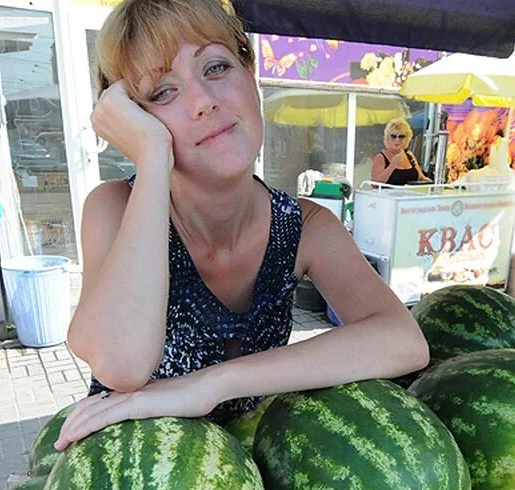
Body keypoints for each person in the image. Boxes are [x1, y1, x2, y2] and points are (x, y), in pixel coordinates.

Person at [56, 0, 429, 449]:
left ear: (250, 74)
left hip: (245, 484)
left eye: (215, 68)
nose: (203, 103)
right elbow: (121, 365)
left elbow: (403, 341)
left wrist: (210, 384)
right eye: (162, 92)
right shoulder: (113, 207)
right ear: (132, 122)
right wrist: (153, 155)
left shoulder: (306, 225)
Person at [371, 118, 430, 185]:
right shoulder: (381, 157)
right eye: (393, 136)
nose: (397, 140)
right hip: (388, 195)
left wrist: (434, 184)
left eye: (401, 136)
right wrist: (392, 166)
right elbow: (374, 184)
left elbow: (421, 178)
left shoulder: (409, 155)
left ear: (407, 139)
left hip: (410, 194)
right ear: (387, 138)